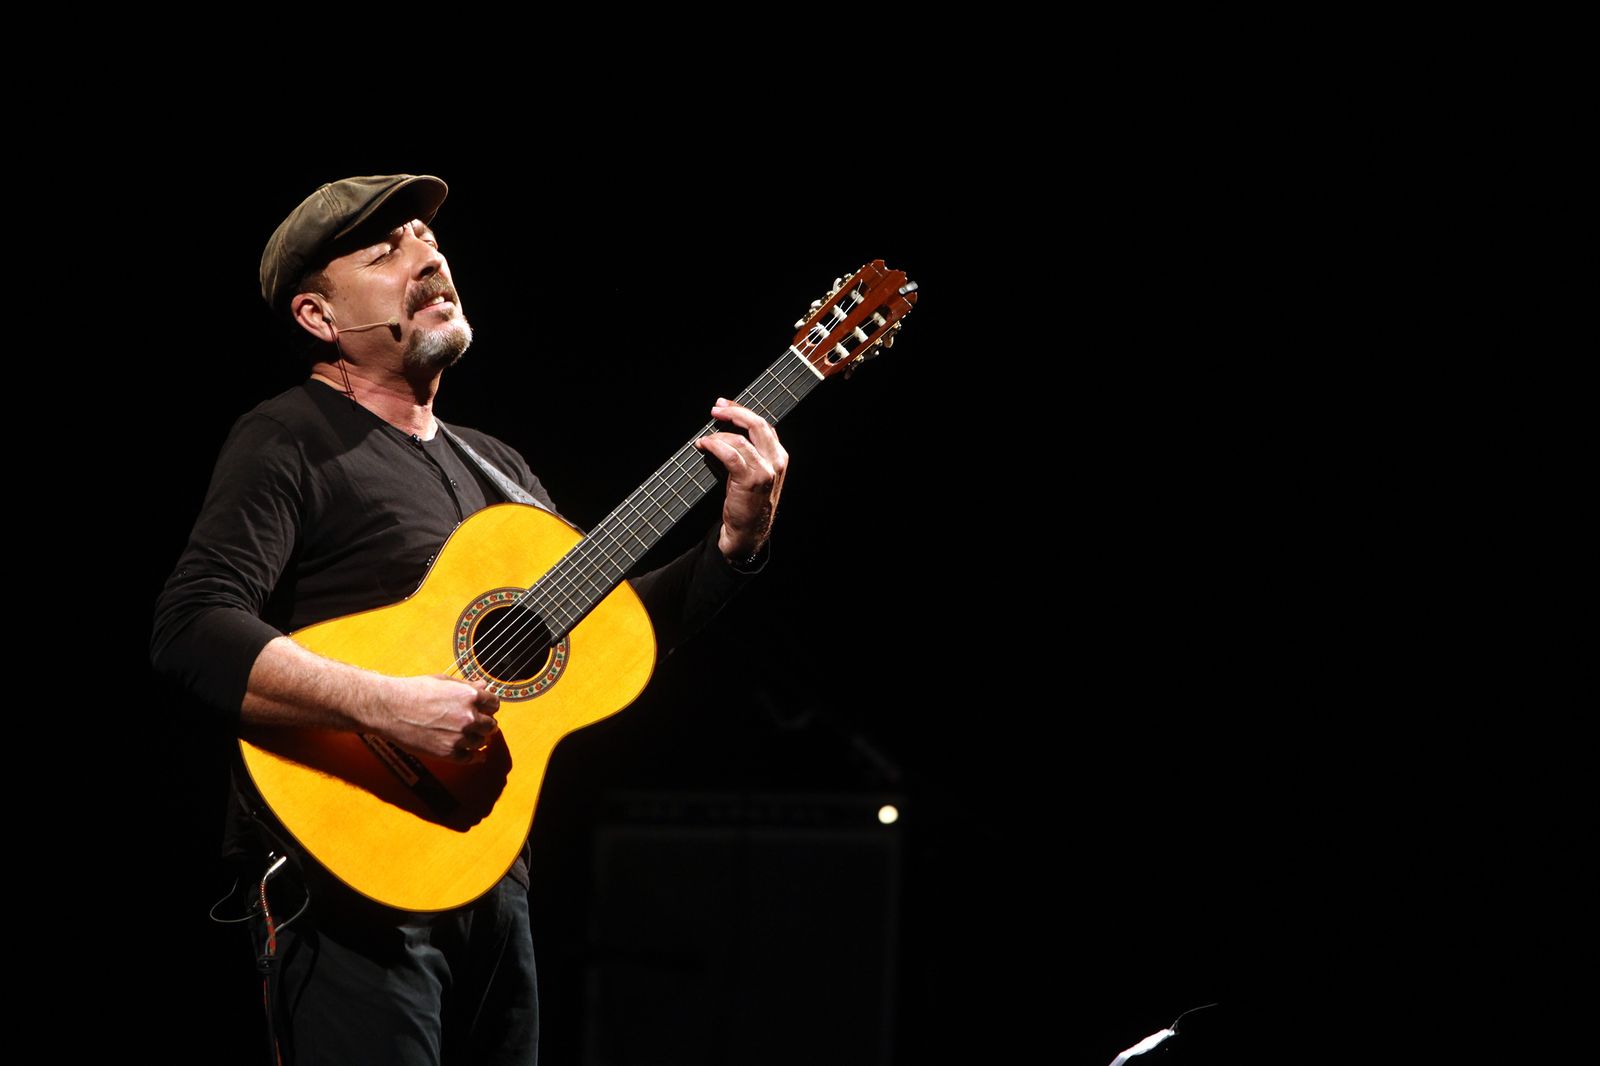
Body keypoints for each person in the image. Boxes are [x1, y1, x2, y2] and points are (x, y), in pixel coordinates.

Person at [150, 174, 786, 1065]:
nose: (427, 257)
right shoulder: (287, 435)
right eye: (387, 253)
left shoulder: (499, 468)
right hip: (347, 881)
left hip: (490, 871)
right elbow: (189, 628)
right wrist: (385, 705)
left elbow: (608, 638)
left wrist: (735, 542)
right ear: (318, 319)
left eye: (430, 247)